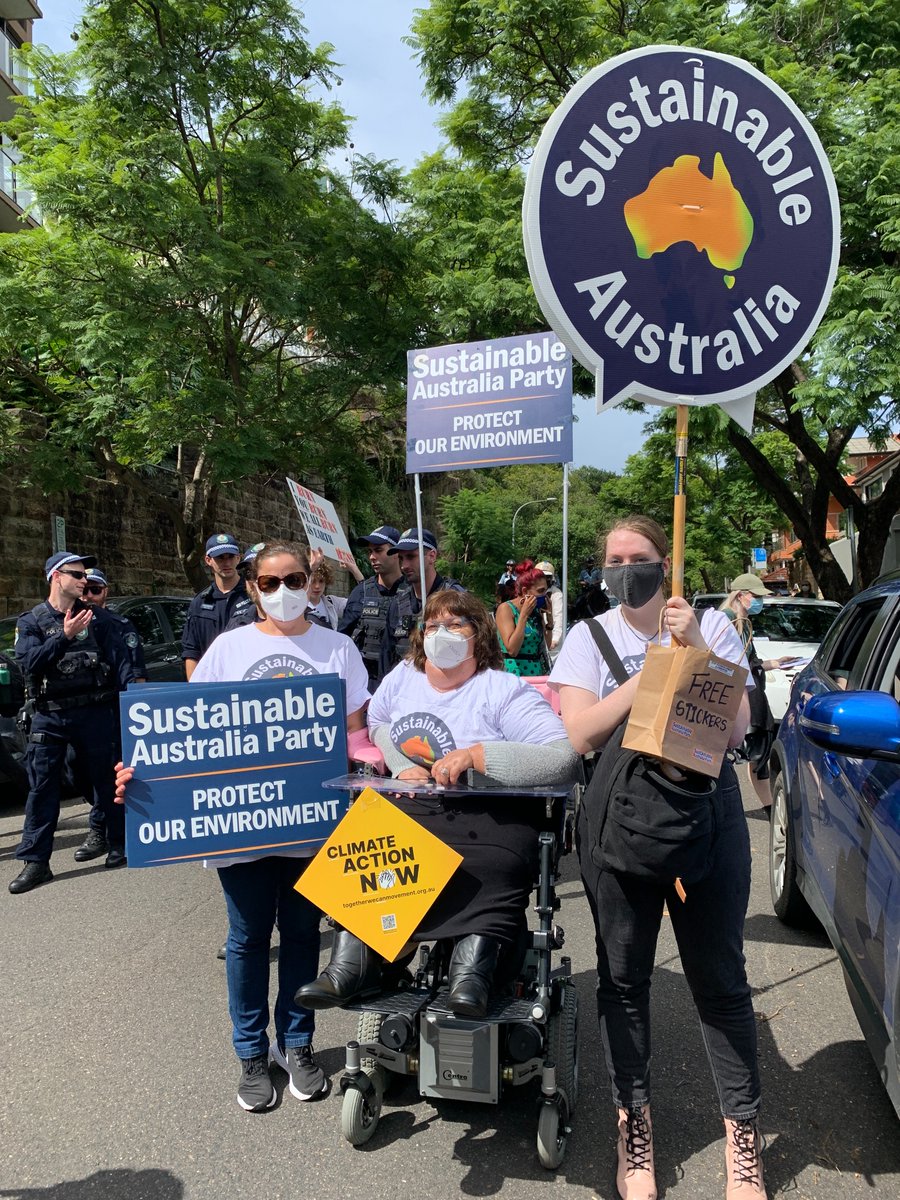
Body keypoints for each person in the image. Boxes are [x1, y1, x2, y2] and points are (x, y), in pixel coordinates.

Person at [549, 516, 765, 1200]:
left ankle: (744, 1140)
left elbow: (739, 730)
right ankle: (633, 1129)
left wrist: (695, 646)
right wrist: (645, 678)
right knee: (622, 982)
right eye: (612, 558)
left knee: (721, 981)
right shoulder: (588, 637)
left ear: (664, 561)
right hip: (618, 825)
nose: (624, 568)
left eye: (637, 556)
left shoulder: (713, 627)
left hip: (708, 822)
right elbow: (577, 734)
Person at [117, 541, 370, 1113]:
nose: (283, 590)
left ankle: (298, 1043)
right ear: (253, 587)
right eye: (270, 581)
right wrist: (137, 776)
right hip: (244, 825)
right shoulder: (228, 650)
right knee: (249, 939)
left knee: (305, 936)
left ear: (312, 581)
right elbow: (183, 736)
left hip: (312, 823)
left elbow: (357, 734)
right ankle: (252, 1054)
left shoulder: (339, 648)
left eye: (295, 578)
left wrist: (368, 765)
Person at [297, 589, 579, 1018]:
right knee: (366, 839)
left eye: (455, 625)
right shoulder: (404, 677)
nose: (441, 633)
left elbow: (562, 757)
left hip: (486, 810)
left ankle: (472, 973)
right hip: (418, 802)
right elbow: (379, 723)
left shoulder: (501, 689)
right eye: (432, 625)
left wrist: (480, 757)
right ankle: (351, 966)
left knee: (490, 858)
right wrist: (397, 762)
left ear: (478, 635)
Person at [9, 552, 135, 893]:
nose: (83, 580)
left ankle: (119, 844)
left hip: (95, 712)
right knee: (42, 789)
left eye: (84, 575)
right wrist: (62, 636)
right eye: (76, 574)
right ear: (55, 577)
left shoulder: (98, 620)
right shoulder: (32, 621)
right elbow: (29, 663)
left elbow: (122, 666)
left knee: (107, 782)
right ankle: (36, 862)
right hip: (51, 715)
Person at [70, 567, 147, 864]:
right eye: (85, 588)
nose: (88, 595)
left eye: (96, 590)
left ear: (106, 592)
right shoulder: (67, 625)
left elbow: (135, 673)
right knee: (76, 767)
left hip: (112, 710)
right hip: (79, 714)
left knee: (107, 770)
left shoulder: (119, 624)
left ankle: (101, 830)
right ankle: (103, 820)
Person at [721, 575, 794, 818]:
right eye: (757, 596)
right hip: (737, 696)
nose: (760, 601)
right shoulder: (727, 621)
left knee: (757, 751)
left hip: (750, 694)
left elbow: (751, 663)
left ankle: (769, 806)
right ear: (741, 595)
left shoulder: (743, 623)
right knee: (752, 749)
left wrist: (776, 663)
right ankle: (767, 808)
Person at [380, 528, 465, 677]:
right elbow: (386, 657)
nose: (404, 565)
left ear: (431, 556)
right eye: (401, 558)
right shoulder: (398, 605)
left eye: (411, 557)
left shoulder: (456, 599)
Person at [338, 524, 404, 692]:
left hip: (404, 682)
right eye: (370, 552)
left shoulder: (414, 592)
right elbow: (341, 639)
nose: (372, 557)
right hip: (367, 683)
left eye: (378, 550)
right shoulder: (361, 593)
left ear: (396, 553)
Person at [181, 533, 256, 678]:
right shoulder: (200, 602)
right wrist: (195, 691)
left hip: (248, 676)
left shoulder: (253, 594)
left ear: (238, 558)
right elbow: (191, 652)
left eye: (230, 557)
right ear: (208, 560)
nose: (226, 563)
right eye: (220, 558)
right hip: (213, 680)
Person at [495, 559, 553, 676]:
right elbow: (512, 649)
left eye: (545, 590)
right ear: (525, 591)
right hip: (514, 674)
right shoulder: (506, 609)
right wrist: (523, 616)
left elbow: (547, 645)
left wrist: (549, 620)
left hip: (537, 673)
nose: (544, 595)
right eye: (540, 591)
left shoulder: (536, 612)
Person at [304, 558, 348, 630]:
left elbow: (359, 603)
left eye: (321, 581)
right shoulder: (297, 605)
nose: (317, 586)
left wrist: (354, 570)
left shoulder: (332, 602)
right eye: (313, 581)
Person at [535, 560, 565, 659]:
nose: (545, 579)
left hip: (551, 643)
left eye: (547, 577)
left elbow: (559, 617)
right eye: (542, 576)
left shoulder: (556, 594)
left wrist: (555, 639)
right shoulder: (531, 593)